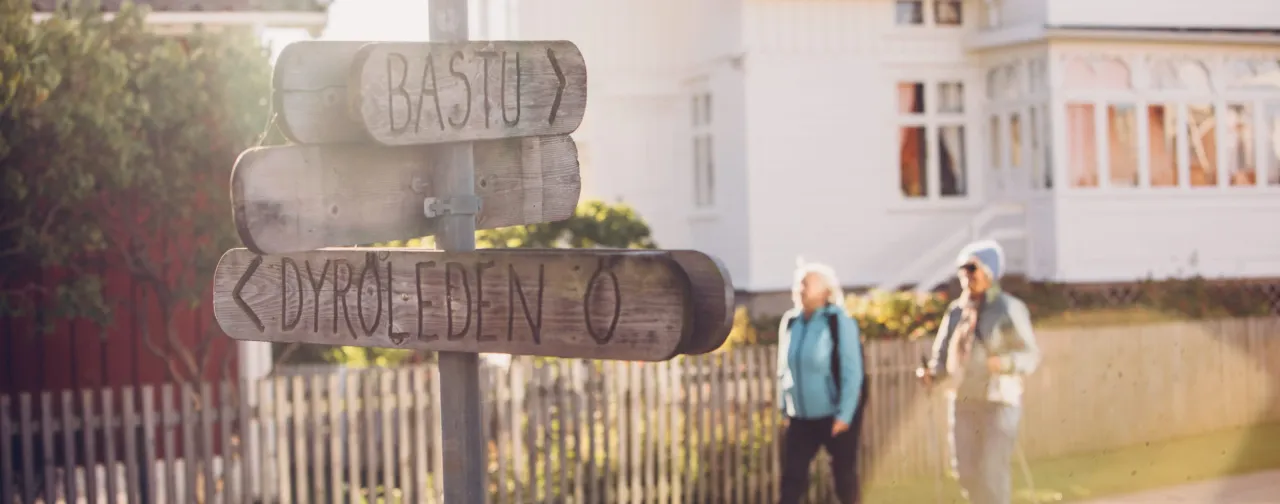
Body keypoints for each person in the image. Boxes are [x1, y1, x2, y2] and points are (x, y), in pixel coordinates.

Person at [918, 240, 1041, 504]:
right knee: (966, 473)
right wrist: (932, 374)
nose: (966, 276)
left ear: (989, 271)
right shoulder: (956, 312)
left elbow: (1030, 355)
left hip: (998, 402)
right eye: (963, 270)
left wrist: (1005, 363)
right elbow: (941, 356)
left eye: (972, 269)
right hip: (963, 400)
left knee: (992, 472)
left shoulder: (1008, 308)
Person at [776, 262, 868, 504]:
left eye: (806, 283)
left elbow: (852, 372)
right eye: (799, 283)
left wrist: (844, 416)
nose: (800, 288)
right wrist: (784, 407)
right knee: (791, 480)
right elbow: (782, 370)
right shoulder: (790, 322)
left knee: (844, 480)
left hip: (834, 416)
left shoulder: (838, 321)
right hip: (800, 417)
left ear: (825, 291)